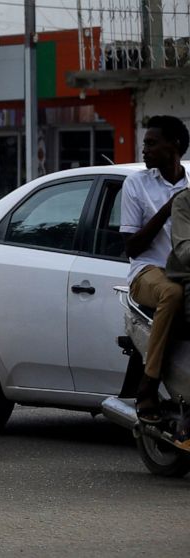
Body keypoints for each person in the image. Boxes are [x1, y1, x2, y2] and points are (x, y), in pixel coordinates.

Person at [122, 115, 190, 424]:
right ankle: (148, 384)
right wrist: (170, 207)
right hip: (148, 271)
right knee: (172, 293)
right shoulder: (137, 183)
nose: (144, 150)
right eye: (144, 143)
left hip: (185, 270)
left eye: (152, 143)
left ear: (174, 145)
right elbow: (132, 246)